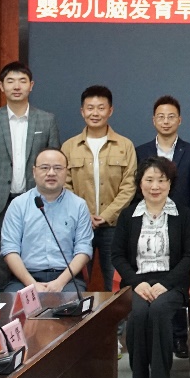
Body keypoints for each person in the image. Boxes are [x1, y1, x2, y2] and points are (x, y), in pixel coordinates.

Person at [110, 157, 190, 378]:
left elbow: (189, 256)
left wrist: (166, 284)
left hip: (172, 282)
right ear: (140, 184)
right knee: (138, 313)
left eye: (161, 180)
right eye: (149, 180)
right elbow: (117, 255)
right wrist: (136, 282)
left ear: (170, 184)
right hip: (137, 281)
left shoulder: (183, 215)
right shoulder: (129, 215)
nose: (155, 186)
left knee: (158, 310)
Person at [0, 61, 60, 280]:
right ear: (1, 86)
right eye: (10, 81)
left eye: (22, 81)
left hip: (36, 202)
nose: (16, 86)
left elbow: (55, 165)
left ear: (31, 85)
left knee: (34, 257)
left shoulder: (46, 120)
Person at [136, 95, 190, 359]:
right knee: (149, 278)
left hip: (181, 228)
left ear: (180, 120)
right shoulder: (141, 151)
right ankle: (151, 336)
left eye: (171, 116)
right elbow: (136, 191)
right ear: (153, 120)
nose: (166, 121)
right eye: (161, 116)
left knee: (178, 281)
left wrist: (187, 225)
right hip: (148, 224)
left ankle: (179, 337)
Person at [61, 85, 137, 291]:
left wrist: (105, 215)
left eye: (101, 108)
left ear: (110, 111)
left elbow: (129, 186)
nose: (95, 113)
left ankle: (116, 316)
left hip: (114, 226)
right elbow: (64, 185)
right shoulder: (69, 146)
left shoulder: (125, 146)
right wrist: (84, 214)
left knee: (115, 285)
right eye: (90, 108)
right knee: (75, 284)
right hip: (78, 226)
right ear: (82, 111)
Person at [0, 148, 93, 293]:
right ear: (34, 171)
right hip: (25, 277)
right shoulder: (18, 204)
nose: (51, 173)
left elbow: (84, 249)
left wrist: (59, 283)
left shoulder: (79, 205)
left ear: (66, 172)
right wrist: (32, 284)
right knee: (13, 303)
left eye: (58, 168)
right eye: (44, 168)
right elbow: (9, 249)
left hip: (66, 278)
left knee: (74, 304)